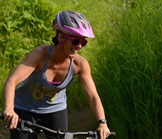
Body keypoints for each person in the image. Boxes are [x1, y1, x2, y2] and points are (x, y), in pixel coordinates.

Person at [2, 10, 110, 139]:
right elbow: (11, 81)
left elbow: (92, 96)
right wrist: (9, 108)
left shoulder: (80, 64)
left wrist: (102, 122)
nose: (79, 46)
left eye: (83, 42)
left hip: (55, 109)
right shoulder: (40, 55)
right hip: (24, 107)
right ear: (60, 37)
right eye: (75, 41)